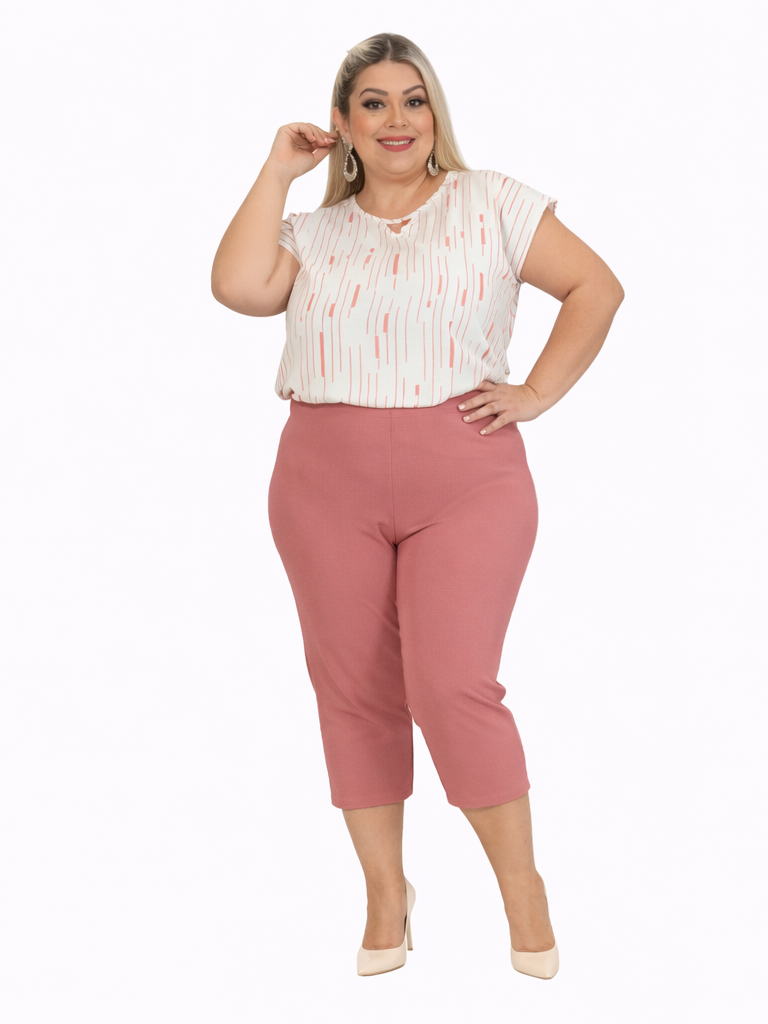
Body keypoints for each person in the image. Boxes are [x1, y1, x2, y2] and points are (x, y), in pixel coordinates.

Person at [211, 32, 624, 980]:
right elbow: (236, 287)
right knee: (352, 688)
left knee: (452, 685)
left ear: (435, 113)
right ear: (344, 124)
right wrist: (277, 171)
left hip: (466, 474)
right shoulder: (311, 233)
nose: (396, 119)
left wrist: (536, 392)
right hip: (323, 479)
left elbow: (596, 288)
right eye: (373, 104)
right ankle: (385, 894)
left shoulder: (493, 202)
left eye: (413, 100)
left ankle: (523, 890)